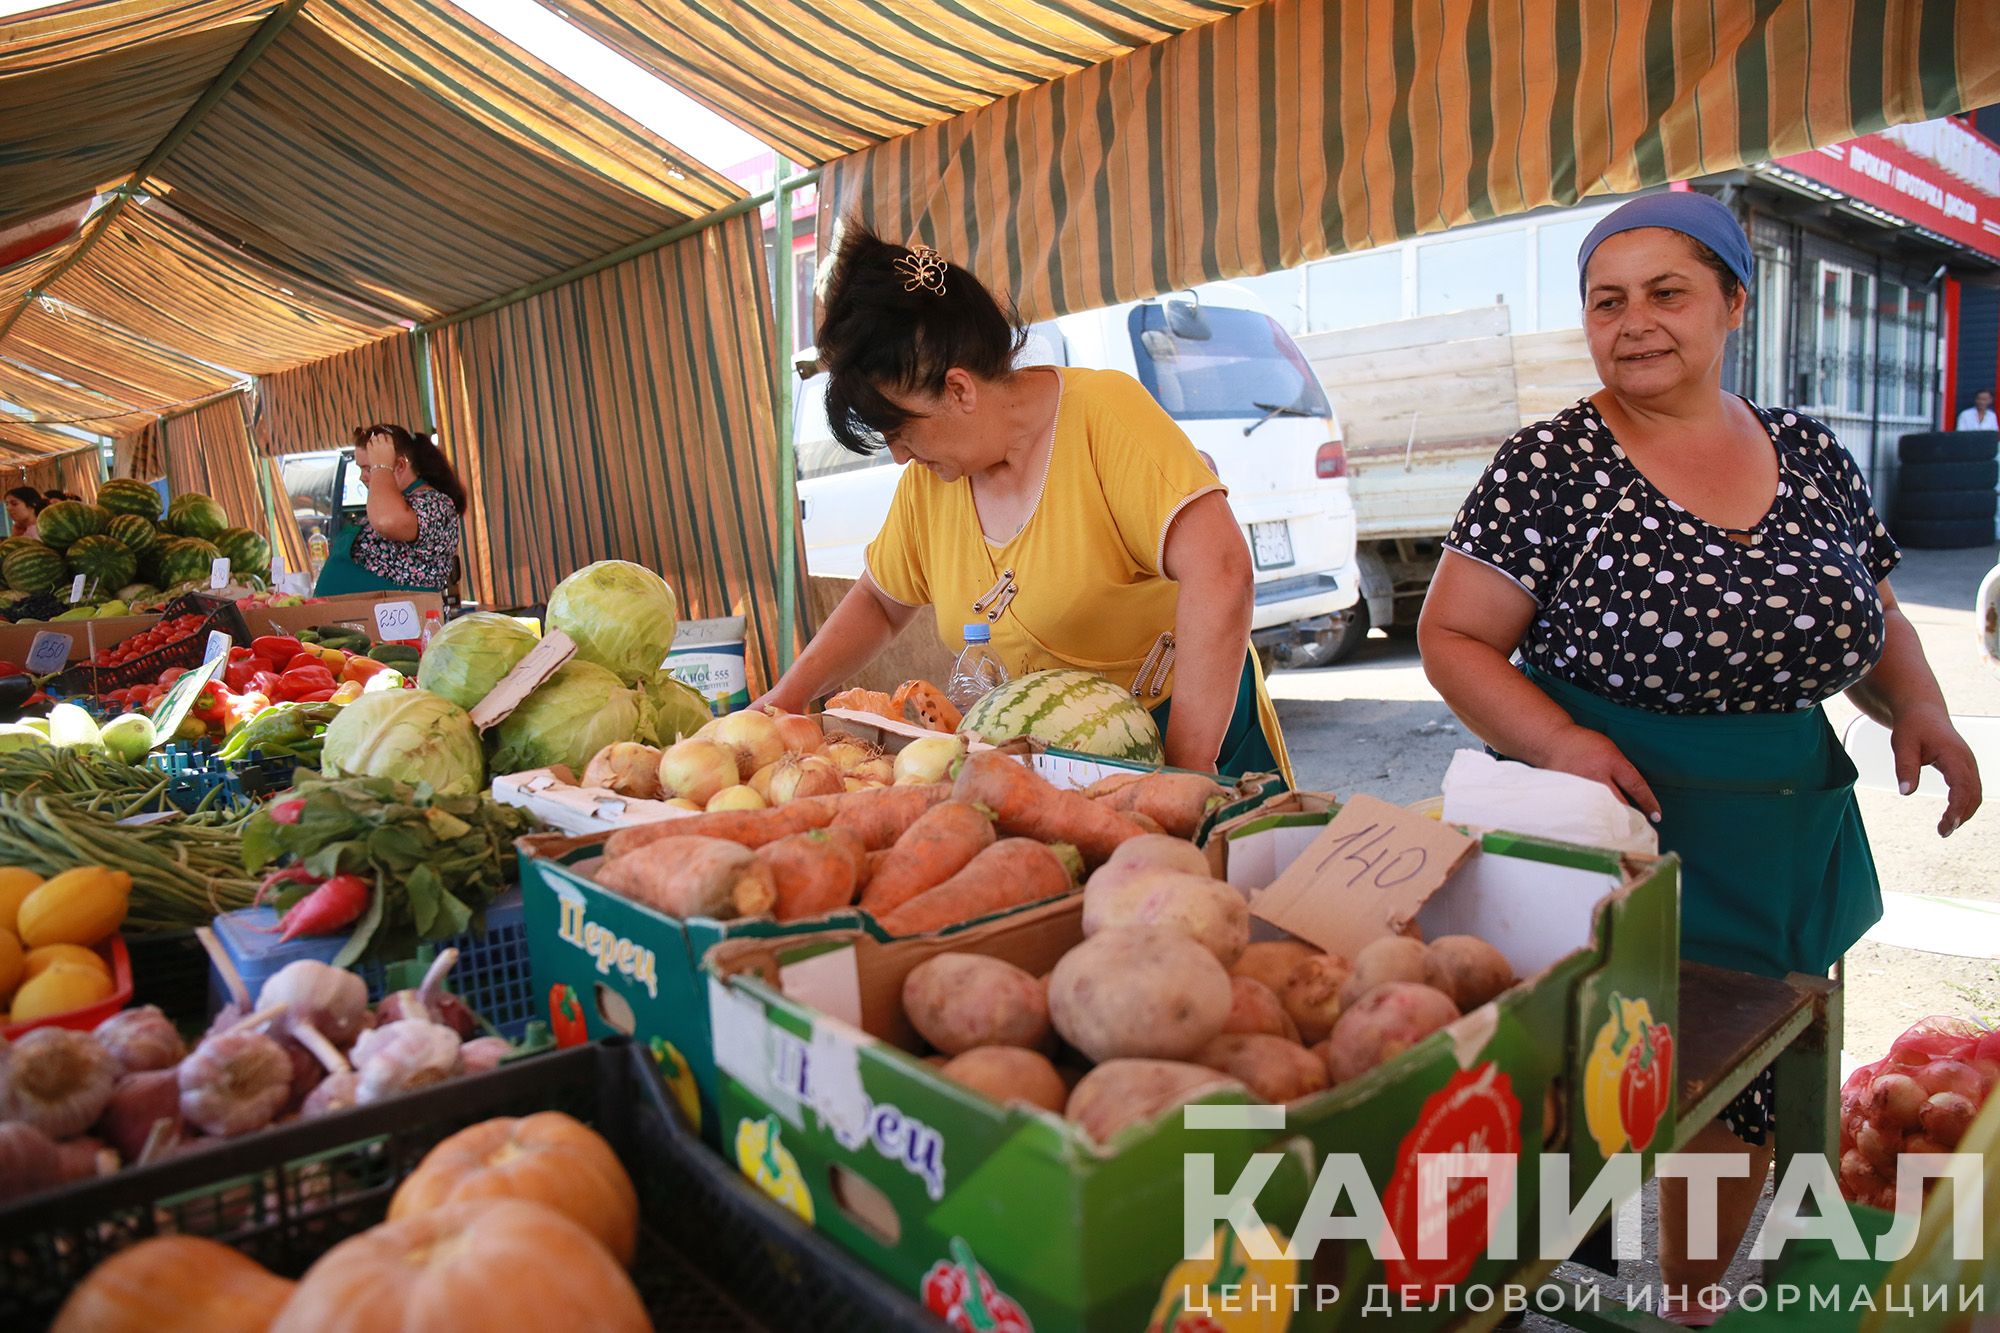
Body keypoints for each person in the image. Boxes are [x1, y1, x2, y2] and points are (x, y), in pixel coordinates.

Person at [1418, 192, 1981, 1324]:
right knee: (1623, 1082)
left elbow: (1873, 616)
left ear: (1731, 301)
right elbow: (1451, 636)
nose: (1633, 322)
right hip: (1616, 830)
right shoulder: (1550, 462)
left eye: (1665, 292)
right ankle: (1553, 1287)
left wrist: (1915, 703)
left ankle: (1688, 1300)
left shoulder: (1809, 450)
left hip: (1783, 825)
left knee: (1768, 1086)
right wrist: (1561, 742)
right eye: (1604, 300)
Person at [756, 224, 1288, 778]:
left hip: (1191, 728)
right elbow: (880, 602)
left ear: (959, 390)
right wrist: (786, 699)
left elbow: (1221, 572)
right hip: (1044, 763)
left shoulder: (1104, 416)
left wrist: (1186, 770)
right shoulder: (931, 482)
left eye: (900, 431)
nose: (898, 457)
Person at [311, 424, 465, 595]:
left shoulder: (434, 505)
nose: (362, 477)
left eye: (369, 468)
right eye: (361, 468)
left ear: (399, 465)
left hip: (402, 618)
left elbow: (386, 521)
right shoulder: (393, 504)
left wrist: (382, 467)